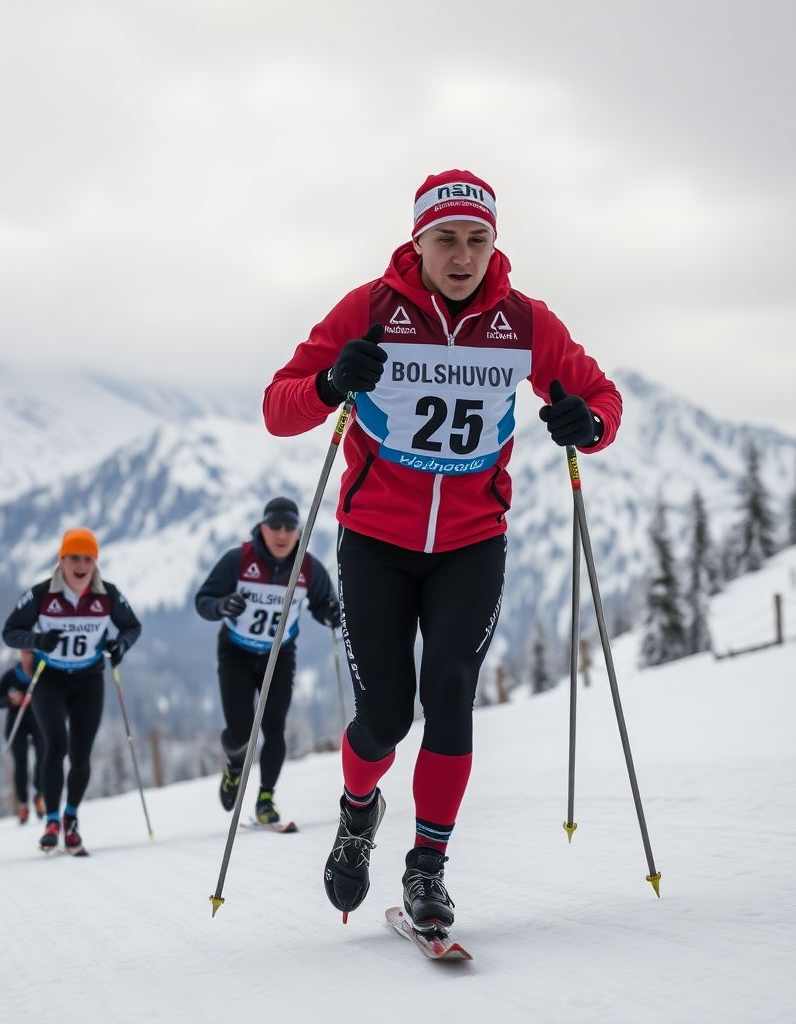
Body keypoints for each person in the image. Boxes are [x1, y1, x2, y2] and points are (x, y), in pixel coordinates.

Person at [263, 169, 622, 934]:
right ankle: (359, 812)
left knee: (451, 696)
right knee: (385, 717)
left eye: (477, 239)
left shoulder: (524, 323)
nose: (462, 255)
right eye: (446, 239)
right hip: (376, 546)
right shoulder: (369, 309)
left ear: (495, 244)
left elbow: (600, 398)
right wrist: (330, 382)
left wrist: (584, 426)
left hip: (470, 543)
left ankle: (428, 865)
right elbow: (278, 405)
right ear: (418, 240)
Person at [194, 497, 342, 825]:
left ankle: (265, 800)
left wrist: (332, 614)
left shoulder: (308, 567)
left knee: (274, 728)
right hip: (236, 652)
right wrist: (223, 606)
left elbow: (323, 605)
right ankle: (234, 764)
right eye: (275, 526)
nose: (282, 533)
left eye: (290, 527)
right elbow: (203, 600)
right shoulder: (238, 560)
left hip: (280, 653)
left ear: (298, 531)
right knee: (240, 732)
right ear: (262, 528)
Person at [2, 528, 141, 854]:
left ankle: (71, 818)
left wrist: (120, 644)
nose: (80, 565)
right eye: (73, 558)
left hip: (88, 679)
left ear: (95, 562)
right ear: (61, 560)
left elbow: (132, 627)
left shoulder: (108, 595)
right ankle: (51, 820)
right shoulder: (40, 595)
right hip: (49, 678)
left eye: (87, 559)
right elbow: (10, 631)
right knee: (55, 744)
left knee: (80, 754)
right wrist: (35, 641)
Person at [0, 648, 45, 823]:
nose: (27, 657)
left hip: (39, 720)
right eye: (24, 654)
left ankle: (39, 795)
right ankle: (23, 804)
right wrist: (10, 699)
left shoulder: (41, 672)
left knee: (43, 757)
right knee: (21, 764)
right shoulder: (11, 676)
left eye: (30, 654)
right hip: (16, 723)